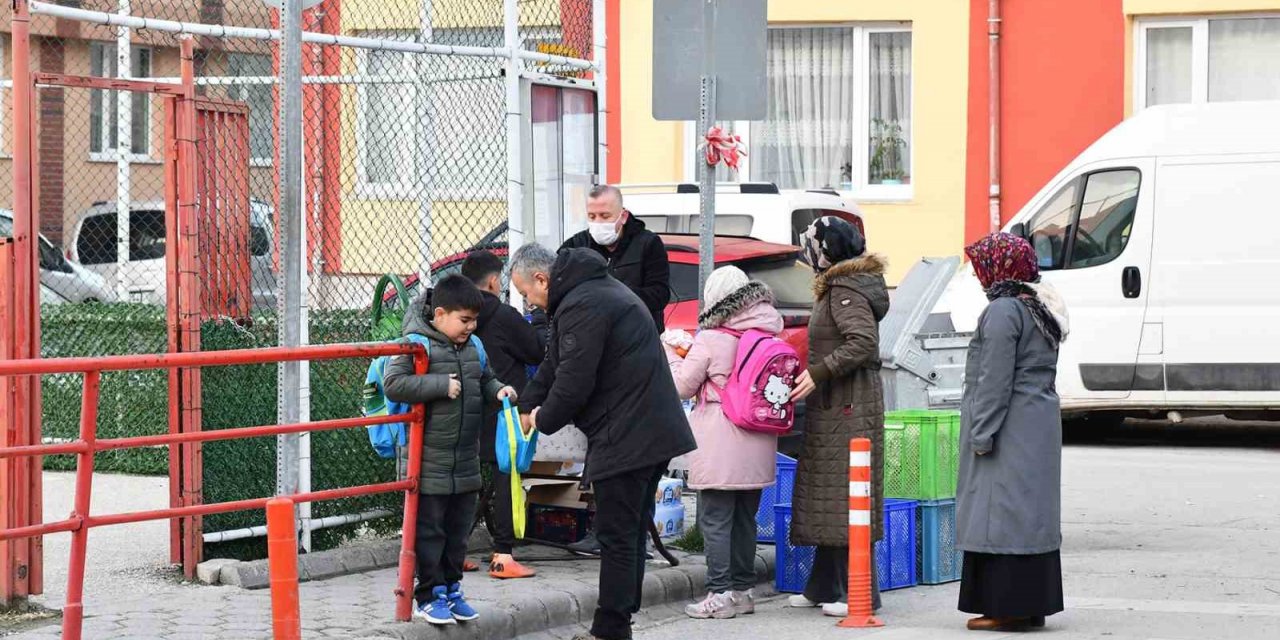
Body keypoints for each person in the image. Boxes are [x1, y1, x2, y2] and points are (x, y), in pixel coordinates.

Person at [510, 244, 696, 640]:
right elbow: (554, 364)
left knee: (616, 535)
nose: (528, 303)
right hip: (647, 430)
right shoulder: (588, 293)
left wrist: (542, 419)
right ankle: (618, 620)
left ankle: (610, 629)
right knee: (627, 533)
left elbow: (575, 380)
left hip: (629, 433)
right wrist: (526, 403)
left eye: (526, 294)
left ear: (542, 280)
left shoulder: (584, 303)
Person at [383, 274, 517, 626]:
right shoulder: (415, 345)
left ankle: (452, 588)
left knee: (458, 531)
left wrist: (500, 390)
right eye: (464, 320)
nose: (471, 327)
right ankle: (428, 594)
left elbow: (485, 378)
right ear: (439, 314)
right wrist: (440, 385)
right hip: (429, 463)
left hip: (465, 461)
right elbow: (394, 384)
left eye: (475, 321)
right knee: (430, 531)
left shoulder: (475, 348)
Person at [956, 232, 1068, 632]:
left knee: (1000, 514)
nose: (976, 276)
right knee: (1029, 515)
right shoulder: (1036, 305)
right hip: (1036, 423)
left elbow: (994, 380)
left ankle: (1005, 606)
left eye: (980, 266)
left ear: (997, 267)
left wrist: (981, 434)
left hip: (1010, 426)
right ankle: (1030, 605)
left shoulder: (1003, 310)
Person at [665, 266, 781, 620]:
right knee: (745, 519)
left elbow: (682, 387)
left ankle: (718, 595)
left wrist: (670, 351)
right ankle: (744, 593)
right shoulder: (768, 334)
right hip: (760, 440)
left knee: (715, 520)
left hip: (720, 438)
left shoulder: (711, 338)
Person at [787, 216, 890, 618]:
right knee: (829, 495)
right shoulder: (837, 285)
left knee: (849, 496)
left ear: (826, 250)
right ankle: (823, 584)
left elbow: (862, 342)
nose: (805, 251)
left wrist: (818, 372)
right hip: (838, 405)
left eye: (811, 244)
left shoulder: (844, 289)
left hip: (849, 406)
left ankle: (861, 592)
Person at [460, 250, 548, 580]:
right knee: (507, 478)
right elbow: (535, 350)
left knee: (469, 483)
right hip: (505, 411)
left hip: (467, 409)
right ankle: (503, 555)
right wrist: (537, 317)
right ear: (495, 281)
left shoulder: (457, 315)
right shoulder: (502, 315)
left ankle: (454, 552)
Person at [561, 184, 670, 332]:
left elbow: (659, 295)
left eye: (605, 216)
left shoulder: (648, 244)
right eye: (592, 216)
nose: (598, 222)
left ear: (623, 216)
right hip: (593, 336)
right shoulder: (577, 245)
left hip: (638, 337)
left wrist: (614, 296)